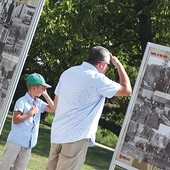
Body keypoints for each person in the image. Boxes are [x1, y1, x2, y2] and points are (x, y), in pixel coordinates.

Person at [46, 46, 132, 170]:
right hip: (76, 136)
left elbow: (56, 104)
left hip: (57, 133)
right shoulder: (98, 79)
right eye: (108, 66)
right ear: (102, 64)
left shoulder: (68, 72)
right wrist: (118, 64)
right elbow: (127, 90)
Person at [0, 73, 54, 170]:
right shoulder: (22, 101)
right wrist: (30, 113)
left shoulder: (39, 103)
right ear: (33, 88)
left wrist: (46, 95)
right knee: (5, 166)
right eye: (42, 88)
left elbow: (53, 109)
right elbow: (16, 120)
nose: (44, 90)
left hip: (28, 144)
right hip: (15, 142)